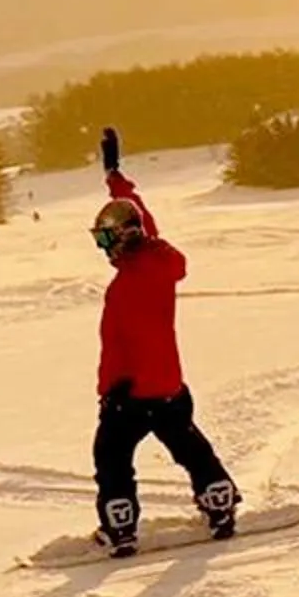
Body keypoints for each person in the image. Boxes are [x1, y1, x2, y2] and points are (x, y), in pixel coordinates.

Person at [91, 129, 240, 554]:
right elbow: (144, 224)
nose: (103, 248)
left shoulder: (126, 287)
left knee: (111, 458)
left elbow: (124, 348)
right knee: (189, 446)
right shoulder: (156, 261)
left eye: (105, 239)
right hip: (169, 388)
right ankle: (220, 503)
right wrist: (115, 179)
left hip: (133, 392)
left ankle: (120, 528)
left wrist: (113, 391)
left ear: (121, 240)